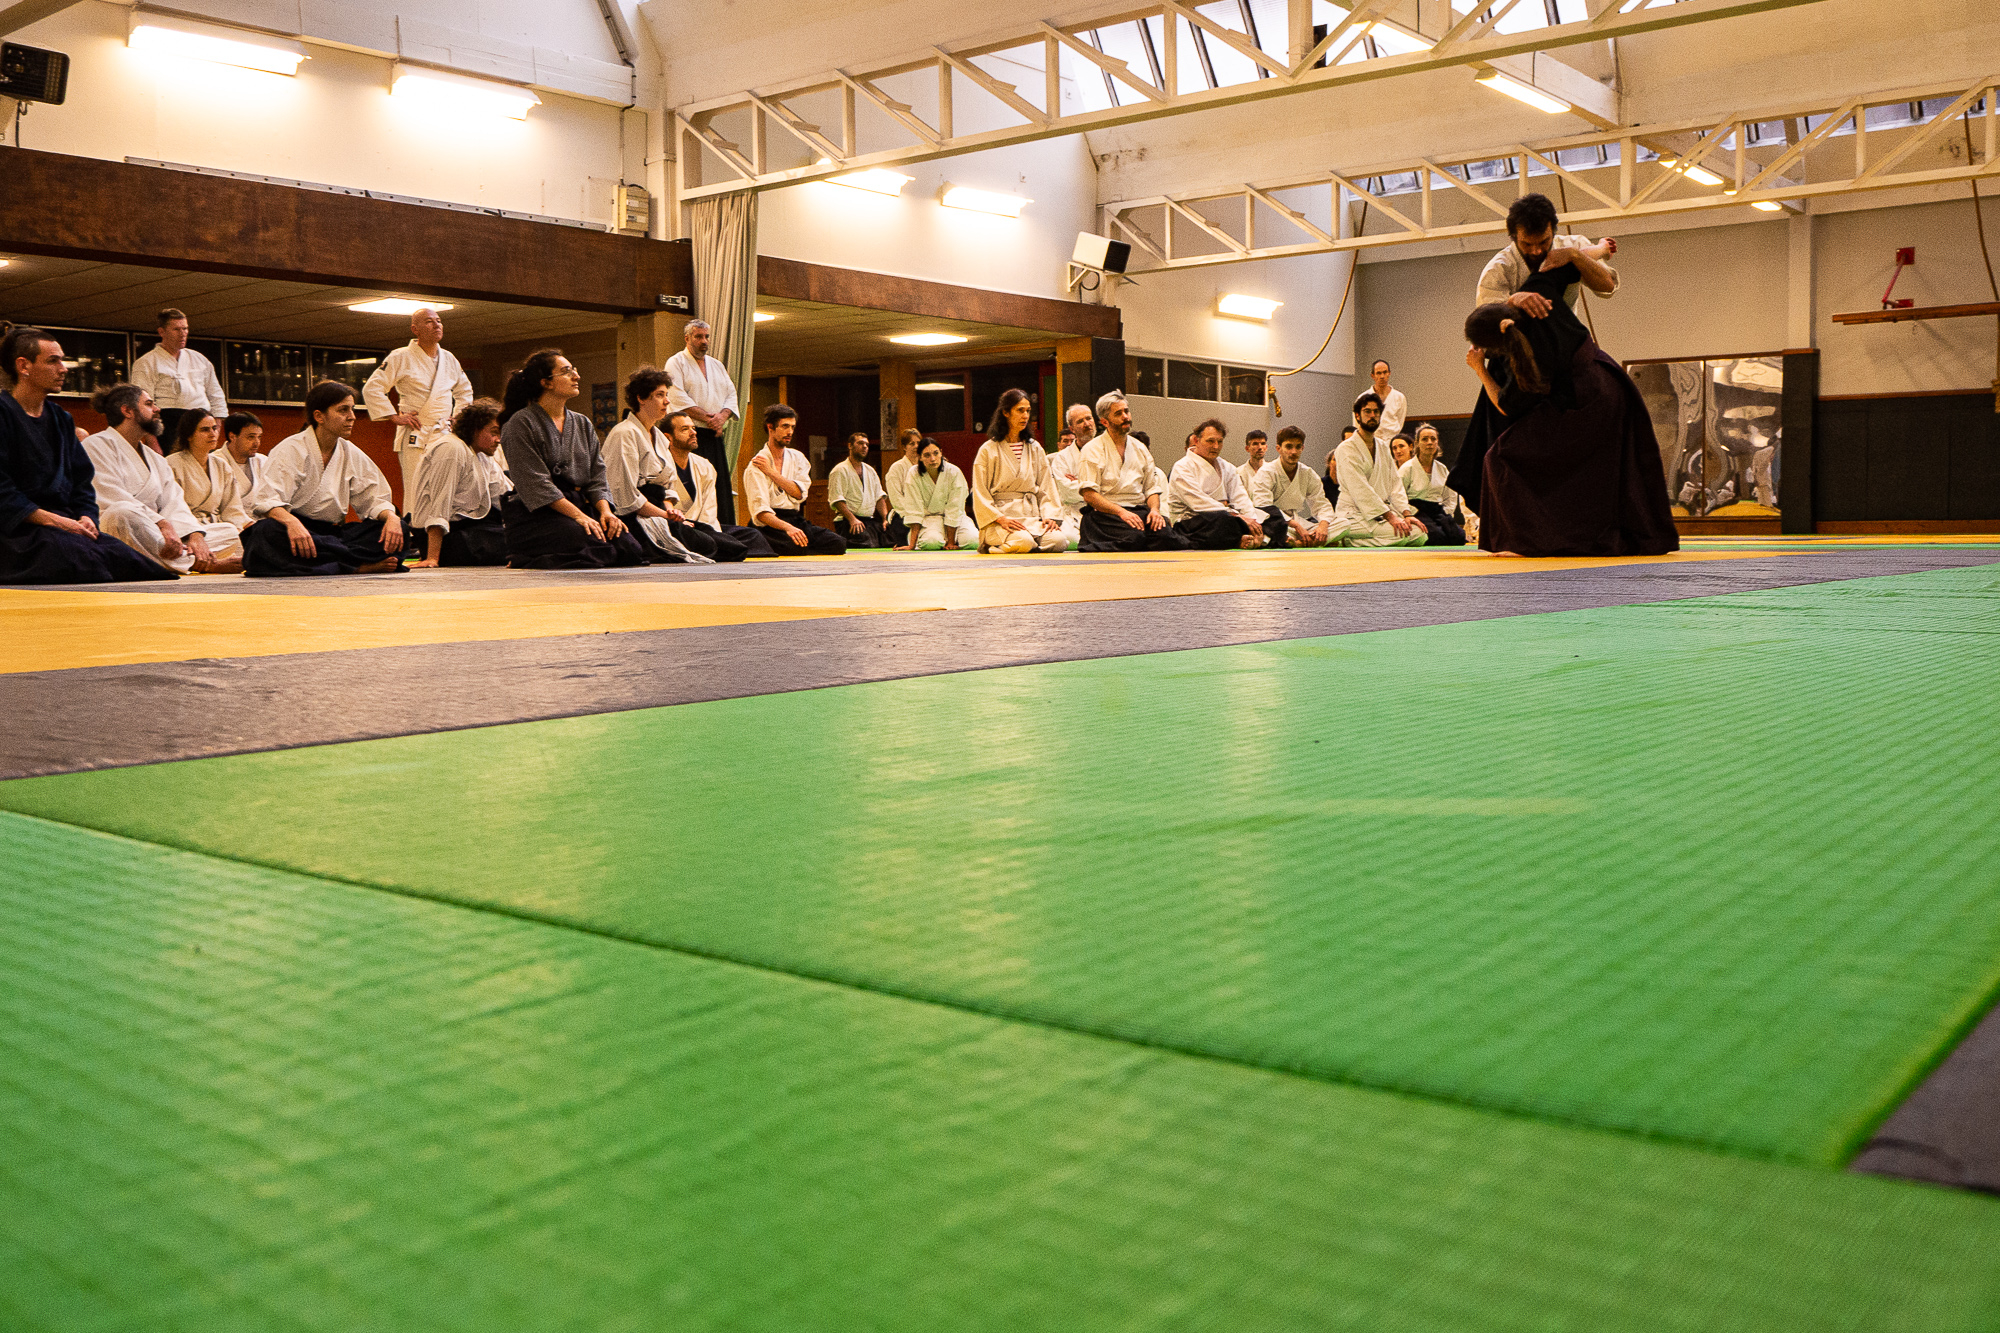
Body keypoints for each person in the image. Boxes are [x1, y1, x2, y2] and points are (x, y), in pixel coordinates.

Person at [1462, 267, 1679, 557]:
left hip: (1584, 402)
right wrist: (1594, 250)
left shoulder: (1527, 358)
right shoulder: (1538, 297)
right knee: (1593, 471)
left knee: (1502, 457)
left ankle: (1525, 541)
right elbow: (1563, 264)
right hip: (1608, 385)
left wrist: (1480, 370)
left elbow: (1505, 405)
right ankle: (1576, 535)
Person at [1453, 193, 1620, 510]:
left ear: (1553, 230)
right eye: (1526, 244)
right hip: (1516, 362)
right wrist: (1513, 300)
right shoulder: (1500, 269)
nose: (1536, 251)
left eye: (1543, 242)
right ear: (1513, 237)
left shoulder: (1568, 249)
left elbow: (1607, 286)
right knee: (1500, 449)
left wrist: (1576, 256)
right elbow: (1486, 321)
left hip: (1561, 353)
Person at [0, 328, 175, 584]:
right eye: (53, 361)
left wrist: (87, 517)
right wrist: (55, 521)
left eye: (62, 360)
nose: (63, 369)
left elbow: (82, 482)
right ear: (23, 366)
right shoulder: (3, 414)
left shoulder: (61, 419)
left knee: (136, 565)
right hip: (17, 530)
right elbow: (2, 491)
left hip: (65, 525)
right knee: (77, 557)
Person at [496, 349, 648, 570]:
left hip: (579, 504)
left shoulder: (582, 422)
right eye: (566, 371)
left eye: (573, 370)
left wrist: (605, 512)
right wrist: (579, 517)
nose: (576, 376)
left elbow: (597, 475)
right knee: (594, 546)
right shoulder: (520, 424)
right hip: (537, 514)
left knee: (629, 549)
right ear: (546, 383)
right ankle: (524, 555)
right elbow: (536, 484)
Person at [242, 381, 406, 576]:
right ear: (319, 416)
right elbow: (268, 501)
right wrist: (292, 524)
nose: (352, 417)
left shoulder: (350, 452)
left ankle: (335, 563)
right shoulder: (290, 449)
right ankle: (353, 565)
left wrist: (392, 518)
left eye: (352, 409)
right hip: (295, 530)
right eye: (343, 410)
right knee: (265, 533)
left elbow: (374, 499)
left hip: (332, 535)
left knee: (400, 529)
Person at [83, 396, 242, 573]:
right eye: (149, 404)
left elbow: (174, 501)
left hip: (162, 535)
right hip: (120, 529)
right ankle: (198, 563)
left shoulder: (155, 458)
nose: (157, 409)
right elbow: (109, 495)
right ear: (127, 411)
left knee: (229, 532)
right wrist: (162, 524)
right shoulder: (95, 445)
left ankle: (181, 557)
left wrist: (194, 535)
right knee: (122, 512)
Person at [599, 368, 715, 565]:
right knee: (709, 544)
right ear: (641, 398)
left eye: (666, 395)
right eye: (660, 395)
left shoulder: (659, 437)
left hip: (659, 510)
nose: (667, 401)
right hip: (635, 516)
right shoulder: (624, 434)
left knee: (726, 539)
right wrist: (665, 515)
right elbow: (625, 496)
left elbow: (667, 486)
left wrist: (671, 511)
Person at [362, 305, 475, 505]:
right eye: (429, 322)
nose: (436, 325)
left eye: (439, 321)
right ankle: (414, 525)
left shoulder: (449, 359)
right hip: (416, 431)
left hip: (444, 432)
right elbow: (373, 388)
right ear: (415, 329)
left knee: (446, 488)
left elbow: (464, 391)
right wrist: (394, 416)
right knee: (417, 490)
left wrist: (459, 417)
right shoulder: (400, 356)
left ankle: (442, 524)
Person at [1074, 391, 1189, 552]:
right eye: (1118, 413)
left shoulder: (1140, 448)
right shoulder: (1092, 450)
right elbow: (1089, 494)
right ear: (1105, 422)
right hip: (1106, 515)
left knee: (1167, 538)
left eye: (1126, 411)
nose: (1125, 417)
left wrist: (1154, 511)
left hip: (1138, 511)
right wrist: (1121, 512)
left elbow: (1151, 489)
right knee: (1134, 538)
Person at [407, 399, 512, 568]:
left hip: (471, 528)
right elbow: (439, 504)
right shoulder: (451, 448)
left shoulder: (482, 455)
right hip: (444, 538)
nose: (498, 439)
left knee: (528, 536)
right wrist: (432, 558)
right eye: (494, 432)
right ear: (474, 429)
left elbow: (504, 495)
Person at [657, 407, 769, 559]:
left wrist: (708, 531)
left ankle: (714, 544)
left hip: (700, 527)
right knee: (719, 543)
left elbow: (709, 509)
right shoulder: (659, 465)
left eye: (693, 428)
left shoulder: (704, 465)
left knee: (752, 534)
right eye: (685, 429)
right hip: (674, 527)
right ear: (668, 437)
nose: (693, 432)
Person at [971, 387, 1069, 553]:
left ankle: (1025, 546)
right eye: (1020, 410)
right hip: (1000, 519)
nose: (1025, 416)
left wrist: (1049, 516)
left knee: (1059, 541)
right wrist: (999, 518)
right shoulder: (988, 449)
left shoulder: (1034, 447)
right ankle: (994, 547)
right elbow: (980, 491)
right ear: (1006, 412)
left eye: (1028, 411)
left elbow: (1046, 485)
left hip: (1031, 517)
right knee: (1024, 541)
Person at [1328, 391, 1427, 547]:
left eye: (1376, 412)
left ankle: (1350, 540)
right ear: (1358, 416)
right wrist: (1391, 517)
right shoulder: (1346, 448)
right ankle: (1347, 537)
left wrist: (1406, 514)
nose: (1372, 415)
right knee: (1402, 536)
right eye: (1367, 411)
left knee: (1419, 535)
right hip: (1353, 514)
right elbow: (1360, 489)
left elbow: (1395, 483)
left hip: (1379, 514)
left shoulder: (1382, 446)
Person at [744, 404, 846, 555]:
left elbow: (799, 493)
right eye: (785, 426)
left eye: (792, 427)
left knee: (838, 543)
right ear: (770, 427)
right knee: (794, 546)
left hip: (795, 519)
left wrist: (771, 472)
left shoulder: (797, 458)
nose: (790, 432)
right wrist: (788, 528)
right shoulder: (756, 466)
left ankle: (801, 549)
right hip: (770, 525)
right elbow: (761, 513)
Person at [1166, 419, 1284, 549]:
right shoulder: (1182, 467)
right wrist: (1236, 515)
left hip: (1228, 515)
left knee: (1273, 514)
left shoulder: (1227, 467)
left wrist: (1253, 521)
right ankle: (1253, 540)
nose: (1216, 446)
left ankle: (1254, 538)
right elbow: (1199, 503)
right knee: (1222, 520)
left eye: (1220, 441)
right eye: (1210, 441)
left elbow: (1240, 497)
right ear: (1196, 440)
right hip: (1193, 520)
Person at [666, 319, 739, 526]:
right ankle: (698, 526)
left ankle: (725, 528)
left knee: (719, 486)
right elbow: (677, 398)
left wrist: (722, 417)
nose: (704, 341)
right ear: (687, 338)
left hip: (714, 435)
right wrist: (710, 418)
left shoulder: (717, 365)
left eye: (706, 336)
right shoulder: (676, 362)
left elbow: (731, 394)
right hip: (690, 435)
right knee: (697, 484)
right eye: (698, 337)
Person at [130, 308, 225, 445]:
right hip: (167, 423)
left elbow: (216, 395)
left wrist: (216, 429)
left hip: (201, 420)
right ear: (161, 332)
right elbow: (143, 405)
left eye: (185, 329)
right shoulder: (146, 362)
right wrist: (152, 442)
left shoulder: (200, 359)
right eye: (176, 329)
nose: (182, 334)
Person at [165, 404, 254, 544]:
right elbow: (172, 508)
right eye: (205, 430)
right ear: (189, 435)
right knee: (231, 533)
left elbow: (232, 509)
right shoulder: (172, 464)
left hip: (219, 528)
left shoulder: (221, 465)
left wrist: (249, 526)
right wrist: (193, 531)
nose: (213, 434)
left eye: (214, 428)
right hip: (187, 529)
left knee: (243, 534)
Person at [1253, 425, 1335, 547]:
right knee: (1264, 531)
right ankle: (1311, 540)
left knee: (1343, 524)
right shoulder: (1266, 472)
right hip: (1276, 522)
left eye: (1298, 447)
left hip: (1298, 521)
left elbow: (1321, 504)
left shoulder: (1307, 473)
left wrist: (1323, 527)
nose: (1294, 452)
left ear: (1303, 448)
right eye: (1289, 447)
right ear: (1278, 448)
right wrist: (1295, 525)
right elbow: (1263, 505)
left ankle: (1300, 542)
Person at [902, 439, 979, 551]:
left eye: (936, 453)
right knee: (931, 543)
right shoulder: (914, 474)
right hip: (930, 519)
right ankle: (938, 540)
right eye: (927, 455)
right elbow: (915, 509)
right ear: (920, 457)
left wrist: (951, 542)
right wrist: (911, 545)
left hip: (957, 519)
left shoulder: (954, 471)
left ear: (941, 453)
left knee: (973, 541)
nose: (933, 459)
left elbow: (955, 507)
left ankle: (952, 539)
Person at [1400, 423, 1466, 548]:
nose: (1429, 443)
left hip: (1437, 510)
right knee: (1437, 536)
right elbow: (1398, 495)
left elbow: (1450, 496)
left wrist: (1447, 513)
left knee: (1458, 537)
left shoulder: (1441, 469)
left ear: (1437, 443)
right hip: (1416, 510)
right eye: (1425, 439)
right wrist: (1408, 514)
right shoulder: (1407, 468)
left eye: (1433, 439)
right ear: (1417, 443)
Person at [828, 432, 895, 547]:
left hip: (869, 521)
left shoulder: (870, 471)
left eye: (867, 445)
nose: (864, 447)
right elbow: (837, 500)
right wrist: (852, 519)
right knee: (865, 542)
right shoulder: (839, 470)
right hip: (847, 521)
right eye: (860, 443)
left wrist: (885, 518)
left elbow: (879, 497)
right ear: (850, 445)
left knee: (890, 539)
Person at [883, 427, 923, 547]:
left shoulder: (925, 466)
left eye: (918, 443)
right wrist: (913, 516)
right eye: (912, 443)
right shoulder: (896, 468)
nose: (916, 446)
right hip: (903, 516)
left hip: (924, 514)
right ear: (904, 447)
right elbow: (896, 499)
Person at [219, 412, 264, 495]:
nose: (257, 443)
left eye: (259, 437)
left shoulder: (263, 461)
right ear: (232, 436)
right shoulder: (215, 462)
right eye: (251, 437)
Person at [1369, 361, 1408, 439]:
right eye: (1378, 373)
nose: (1382, 376)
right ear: (1372, 376)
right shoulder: (1364, 398)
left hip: (1392, 439)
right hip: (1371, 439)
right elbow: (1358, 424)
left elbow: (1400, 422)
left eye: (1385, 372)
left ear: (1389, 373)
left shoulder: (1399, 397)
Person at [1237, 428, 1269, 496]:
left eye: (1263, 444)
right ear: (1247, 448)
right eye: (1255, 444)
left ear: (1266, 447)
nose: (1260, 447)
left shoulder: (1272, 471)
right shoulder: (1239, 473)